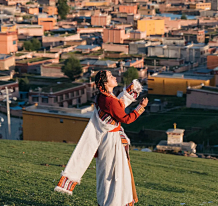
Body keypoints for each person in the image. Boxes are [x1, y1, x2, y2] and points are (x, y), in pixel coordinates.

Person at [54, 70, 148, 206]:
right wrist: (140, 107)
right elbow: (125, 118)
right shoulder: (109, 101)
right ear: (105, 83)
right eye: (111, 76)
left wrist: (130, 92)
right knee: (114, 174)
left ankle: (107, 201)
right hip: (111, 141)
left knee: (107, 172)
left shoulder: (103, 97)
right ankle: (114, 202)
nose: (114, 77)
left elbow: (119, 105)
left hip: (107, 139)